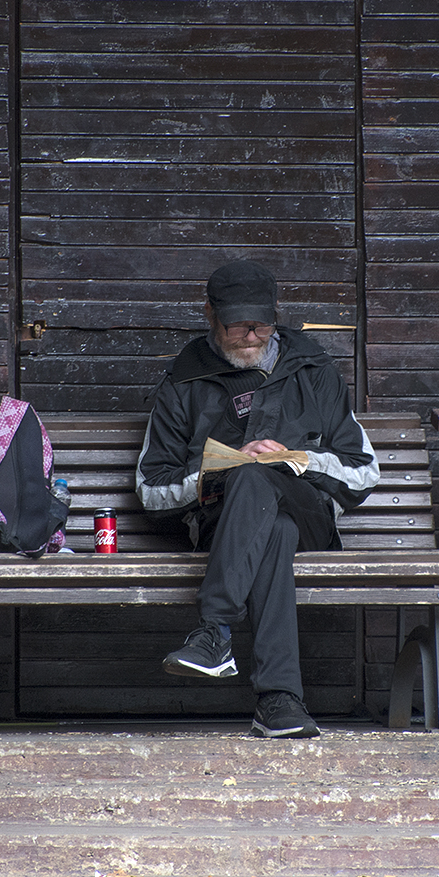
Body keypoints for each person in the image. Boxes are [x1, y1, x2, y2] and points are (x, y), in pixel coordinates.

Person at [134, 260, 381, 738]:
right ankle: (279, 701)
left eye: (261, 325)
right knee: (266, 515)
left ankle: (215, 630)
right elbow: (151, 489)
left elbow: (363, 473)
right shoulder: (183, 380)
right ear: (210, 314)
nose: (250, 337)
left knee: (263, 484)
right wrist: (217, 472)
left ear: (275, 316)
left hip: (310, 520)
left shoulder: (314, 370)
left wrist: (300, 459)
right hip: (224, 527)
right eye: (237, 325)